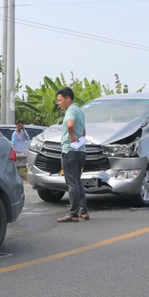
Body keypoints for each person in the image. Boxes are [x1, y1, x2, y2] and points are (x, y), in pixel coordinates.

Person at [56, 86, 89, 223]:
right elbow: (84, 132)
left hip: (70, 151)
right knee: (77, 181)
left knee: (72, 183)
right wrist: (78, 138)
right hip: (81, 151)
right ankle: (84, 211)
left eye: (60, 100)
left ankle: (73, 214)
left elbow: (70, 125)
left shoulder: (71, 110)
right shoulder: (80, 111)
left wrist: (71, 137)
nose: (59, 103)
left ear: (68, 98)